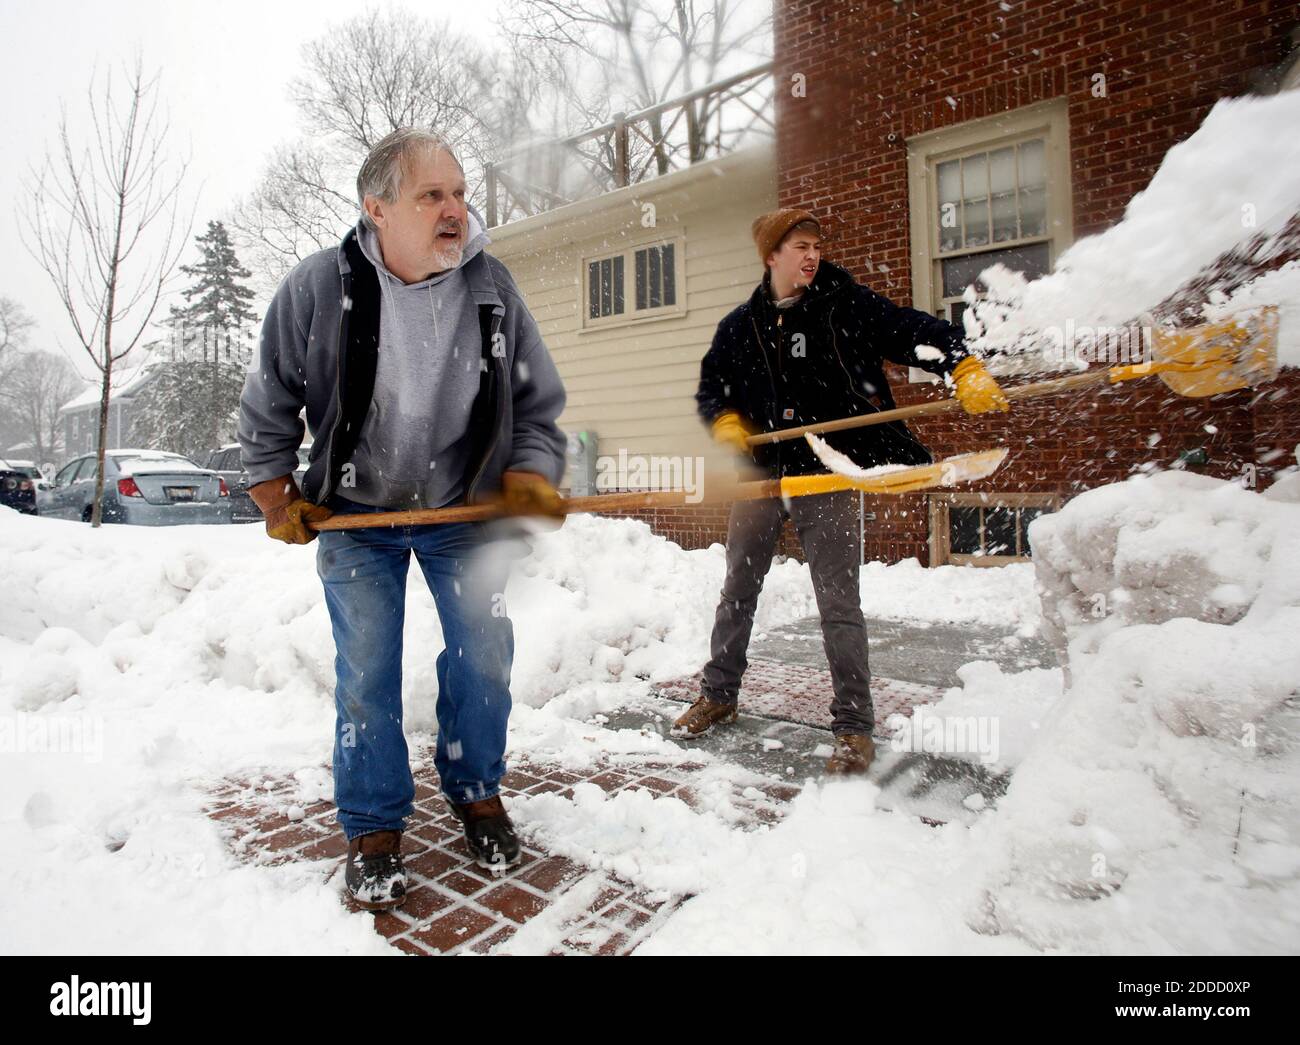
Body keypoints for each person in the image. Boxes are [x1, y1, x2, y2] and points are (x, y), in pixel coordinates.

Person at [237, 128, 567, 910]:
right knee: (367, 672)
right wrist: (274, 493)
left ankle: (475, 787)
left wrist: (528, 470)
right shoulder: (320, 287)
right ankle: (375, 823)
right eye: (433, 196)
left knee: (485, 652)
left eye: (459, 193)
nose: (456, 210)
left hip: (461, 505)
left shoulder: (491, 286)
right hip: (356, 514)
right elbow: (269, 397)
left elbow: (536, 401)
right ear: (376, 208)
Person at [674, 208, 1009, 774]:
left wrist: (962, 364)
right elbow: (713, 389)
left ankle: (853, 726)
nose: (811, 256)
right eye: (799, 246)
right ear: (771, 256)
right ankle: (719, 695)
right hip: (761, 478)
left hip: (828, 475)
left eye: (815, 246)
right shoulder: (741, 325)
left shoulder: (846, 305)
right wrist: (726, 419)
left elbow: (912, 330)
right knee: (737, 592)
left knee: (838, 603)